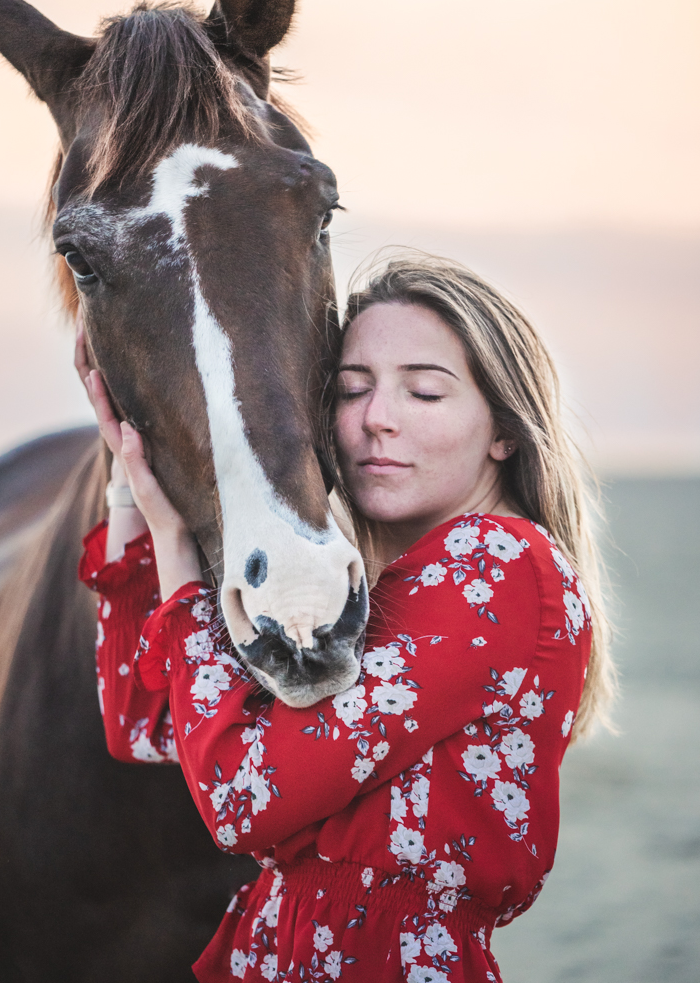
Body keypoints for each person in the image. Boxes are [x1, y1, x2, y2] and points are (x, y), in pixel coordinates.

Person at [76, 254, 614, 983]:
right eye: (351, 390)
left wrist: (175, 548)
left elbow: (240, 801)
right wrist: (130, 484)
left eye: (424, 393)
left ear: (503, 432)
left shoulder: (496, 564)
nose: (375, 420)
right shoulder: (384, 589)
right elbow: (146, 728)